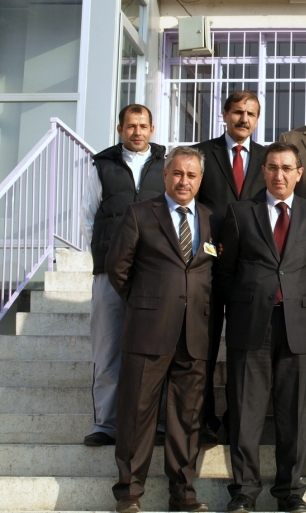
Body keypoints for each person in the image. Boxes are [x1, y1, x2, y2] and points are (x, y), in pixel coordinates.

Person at [106, 146, 218, 513]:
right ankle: (129, 493)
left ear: (200, 180)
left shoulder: (210, 218)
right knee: (137, 413)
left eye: (191, 175)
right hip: (148, 330)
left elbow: (212, 274)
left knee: (187, 418)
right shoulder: (140, 214)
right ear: (165, 176)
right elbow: (118, 269)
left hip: (194, 334)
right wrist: (146, 304)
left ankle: (183, 493)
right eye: (177, 173)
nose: (184, 180)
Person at [218, 142, 306, 513]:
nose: (279, 175)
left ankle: (290, 490)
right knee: (246, 411)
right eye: (272, 167)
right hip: (251, 327)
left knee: (294, 413)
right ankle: (244, 490)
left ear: (299, 173)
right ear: (262, 171)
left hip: (298, 326)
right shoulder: (239, 213)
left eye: (287, 168)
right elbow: (226, 271)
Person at [81, 104, 166, 447]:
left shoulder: (166, 165)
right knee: (108, 347)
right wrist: (103, 257)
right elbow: (89, 216)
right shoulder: (101, 165)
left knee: (156, 350)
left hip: (154, 273)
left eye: (143, 125)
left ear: (152, 128)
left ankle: (156, 423)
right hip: (110, 272)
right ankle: (107, 423)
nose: (137, 132)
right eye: (130, 126)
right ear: (120, 130)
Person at [193, 91, 267, 444]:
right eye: (238, 112)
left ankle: (237, 418)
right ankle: (203, 420)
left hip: (250, 270)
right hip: (206, 267)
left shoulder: (269, 158)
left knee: (243, 350)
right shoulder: (202, 154)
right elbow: (191, 205)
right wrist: (210, 243)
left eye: (251, 113)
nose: (244, 119)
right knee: (203, 349)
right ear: (224, 114)